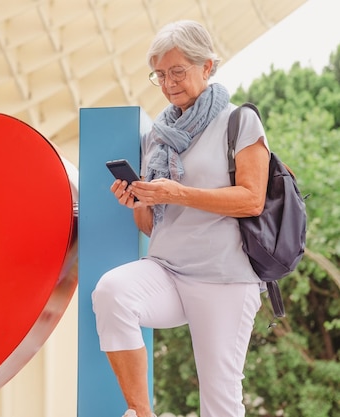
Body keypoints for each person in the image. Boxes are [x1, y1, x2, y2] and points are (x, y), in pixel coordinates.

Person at [91, 20, 269, 417]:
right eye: (159, 74)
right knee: (112, 293)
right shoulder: (157, 135)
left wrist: (179, 193)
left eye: (177, 71)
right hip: (168, 268)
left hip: (223, 277)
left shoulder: (239, 121)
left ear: (207, 67)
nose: (168, 83)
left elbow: (252, 200)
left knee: (220, 401)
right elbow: (153, 225)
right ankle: (141, 411)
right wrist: (139, 200)